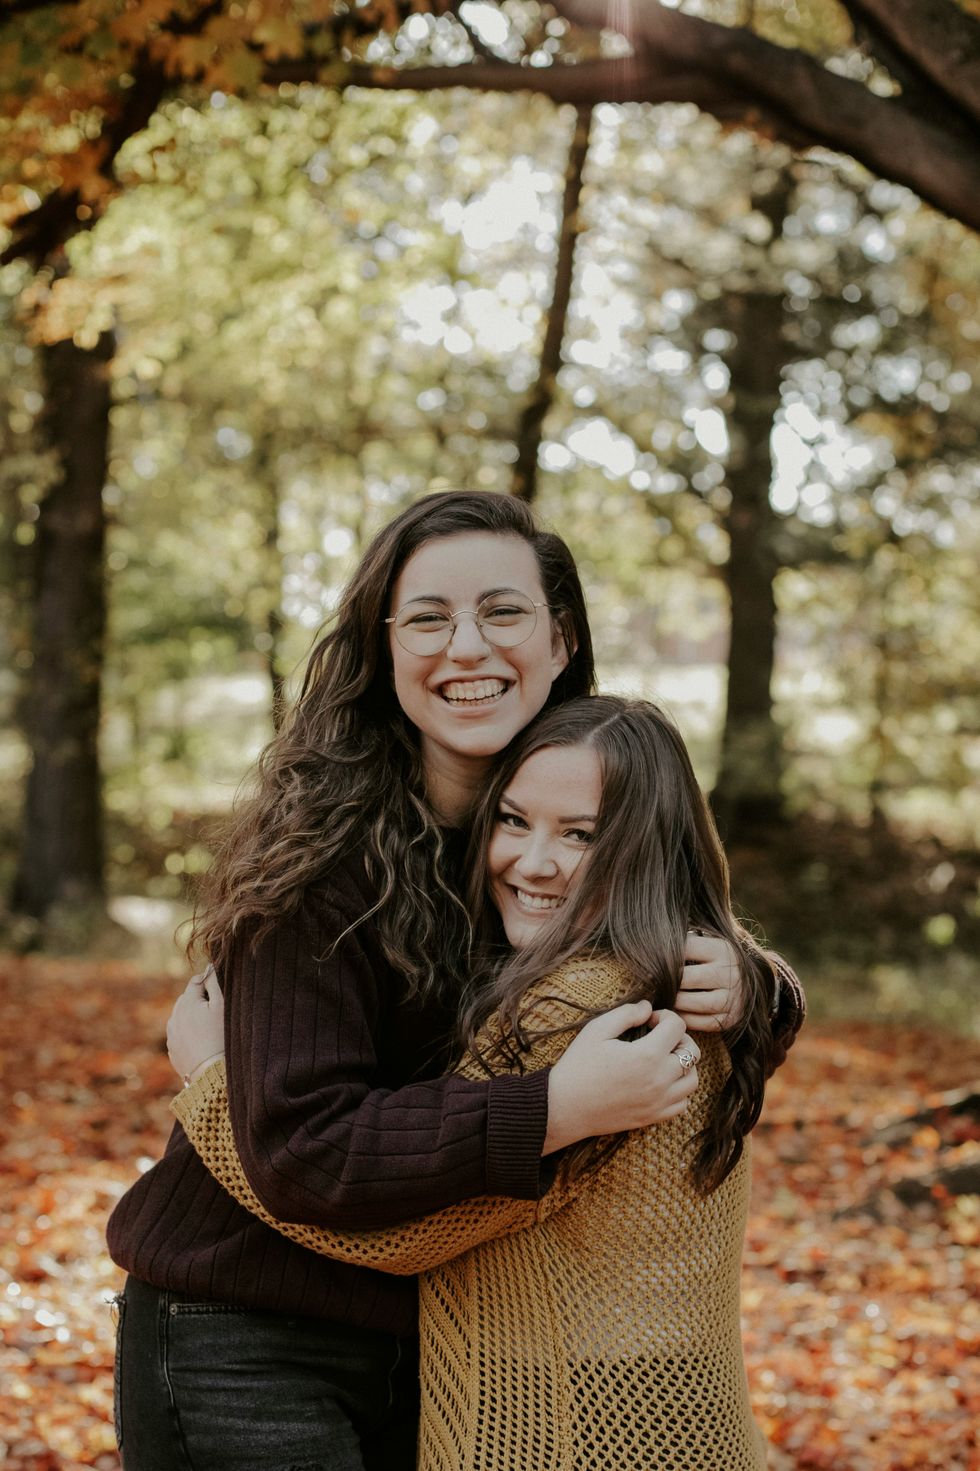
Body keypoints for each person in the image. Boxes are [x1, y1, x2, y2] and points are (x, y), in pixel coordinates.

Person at [108, 492, 803, 1470]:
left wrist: (753, 986)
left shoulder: (566, 803)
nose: (466, 646)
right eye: (428, 617)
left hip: (432, 1339)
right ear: (383, 648)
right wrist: (550, 1108)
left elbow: (655, 948)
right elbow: (304, 1148)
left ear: (560, 638)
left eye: (502, 611)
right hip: (248, 1323)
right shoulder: (321, 860)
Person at [171, 696, 779, 1469]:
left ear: (646, 848)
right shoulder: (690, 974)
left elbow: (397, 1235)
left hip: (577, 1429)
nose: (532, 861)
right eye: (514, 820)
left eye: (581, 834)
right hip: (686, 1421)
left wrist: (212, 1085)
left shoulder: (574, 1011)